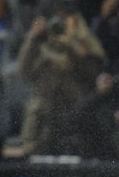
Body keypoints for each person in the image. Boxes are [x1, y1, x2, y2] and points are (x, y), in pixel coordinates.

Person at [18, 8, 106, 155]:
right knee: (36, 162)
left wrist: (72, 43)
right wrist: (33, 38)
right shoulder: (41, 46)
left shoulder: (83, 46)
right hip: (42, 117)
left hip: (72, 115)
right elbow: (24, 72)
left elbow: (93, 72)